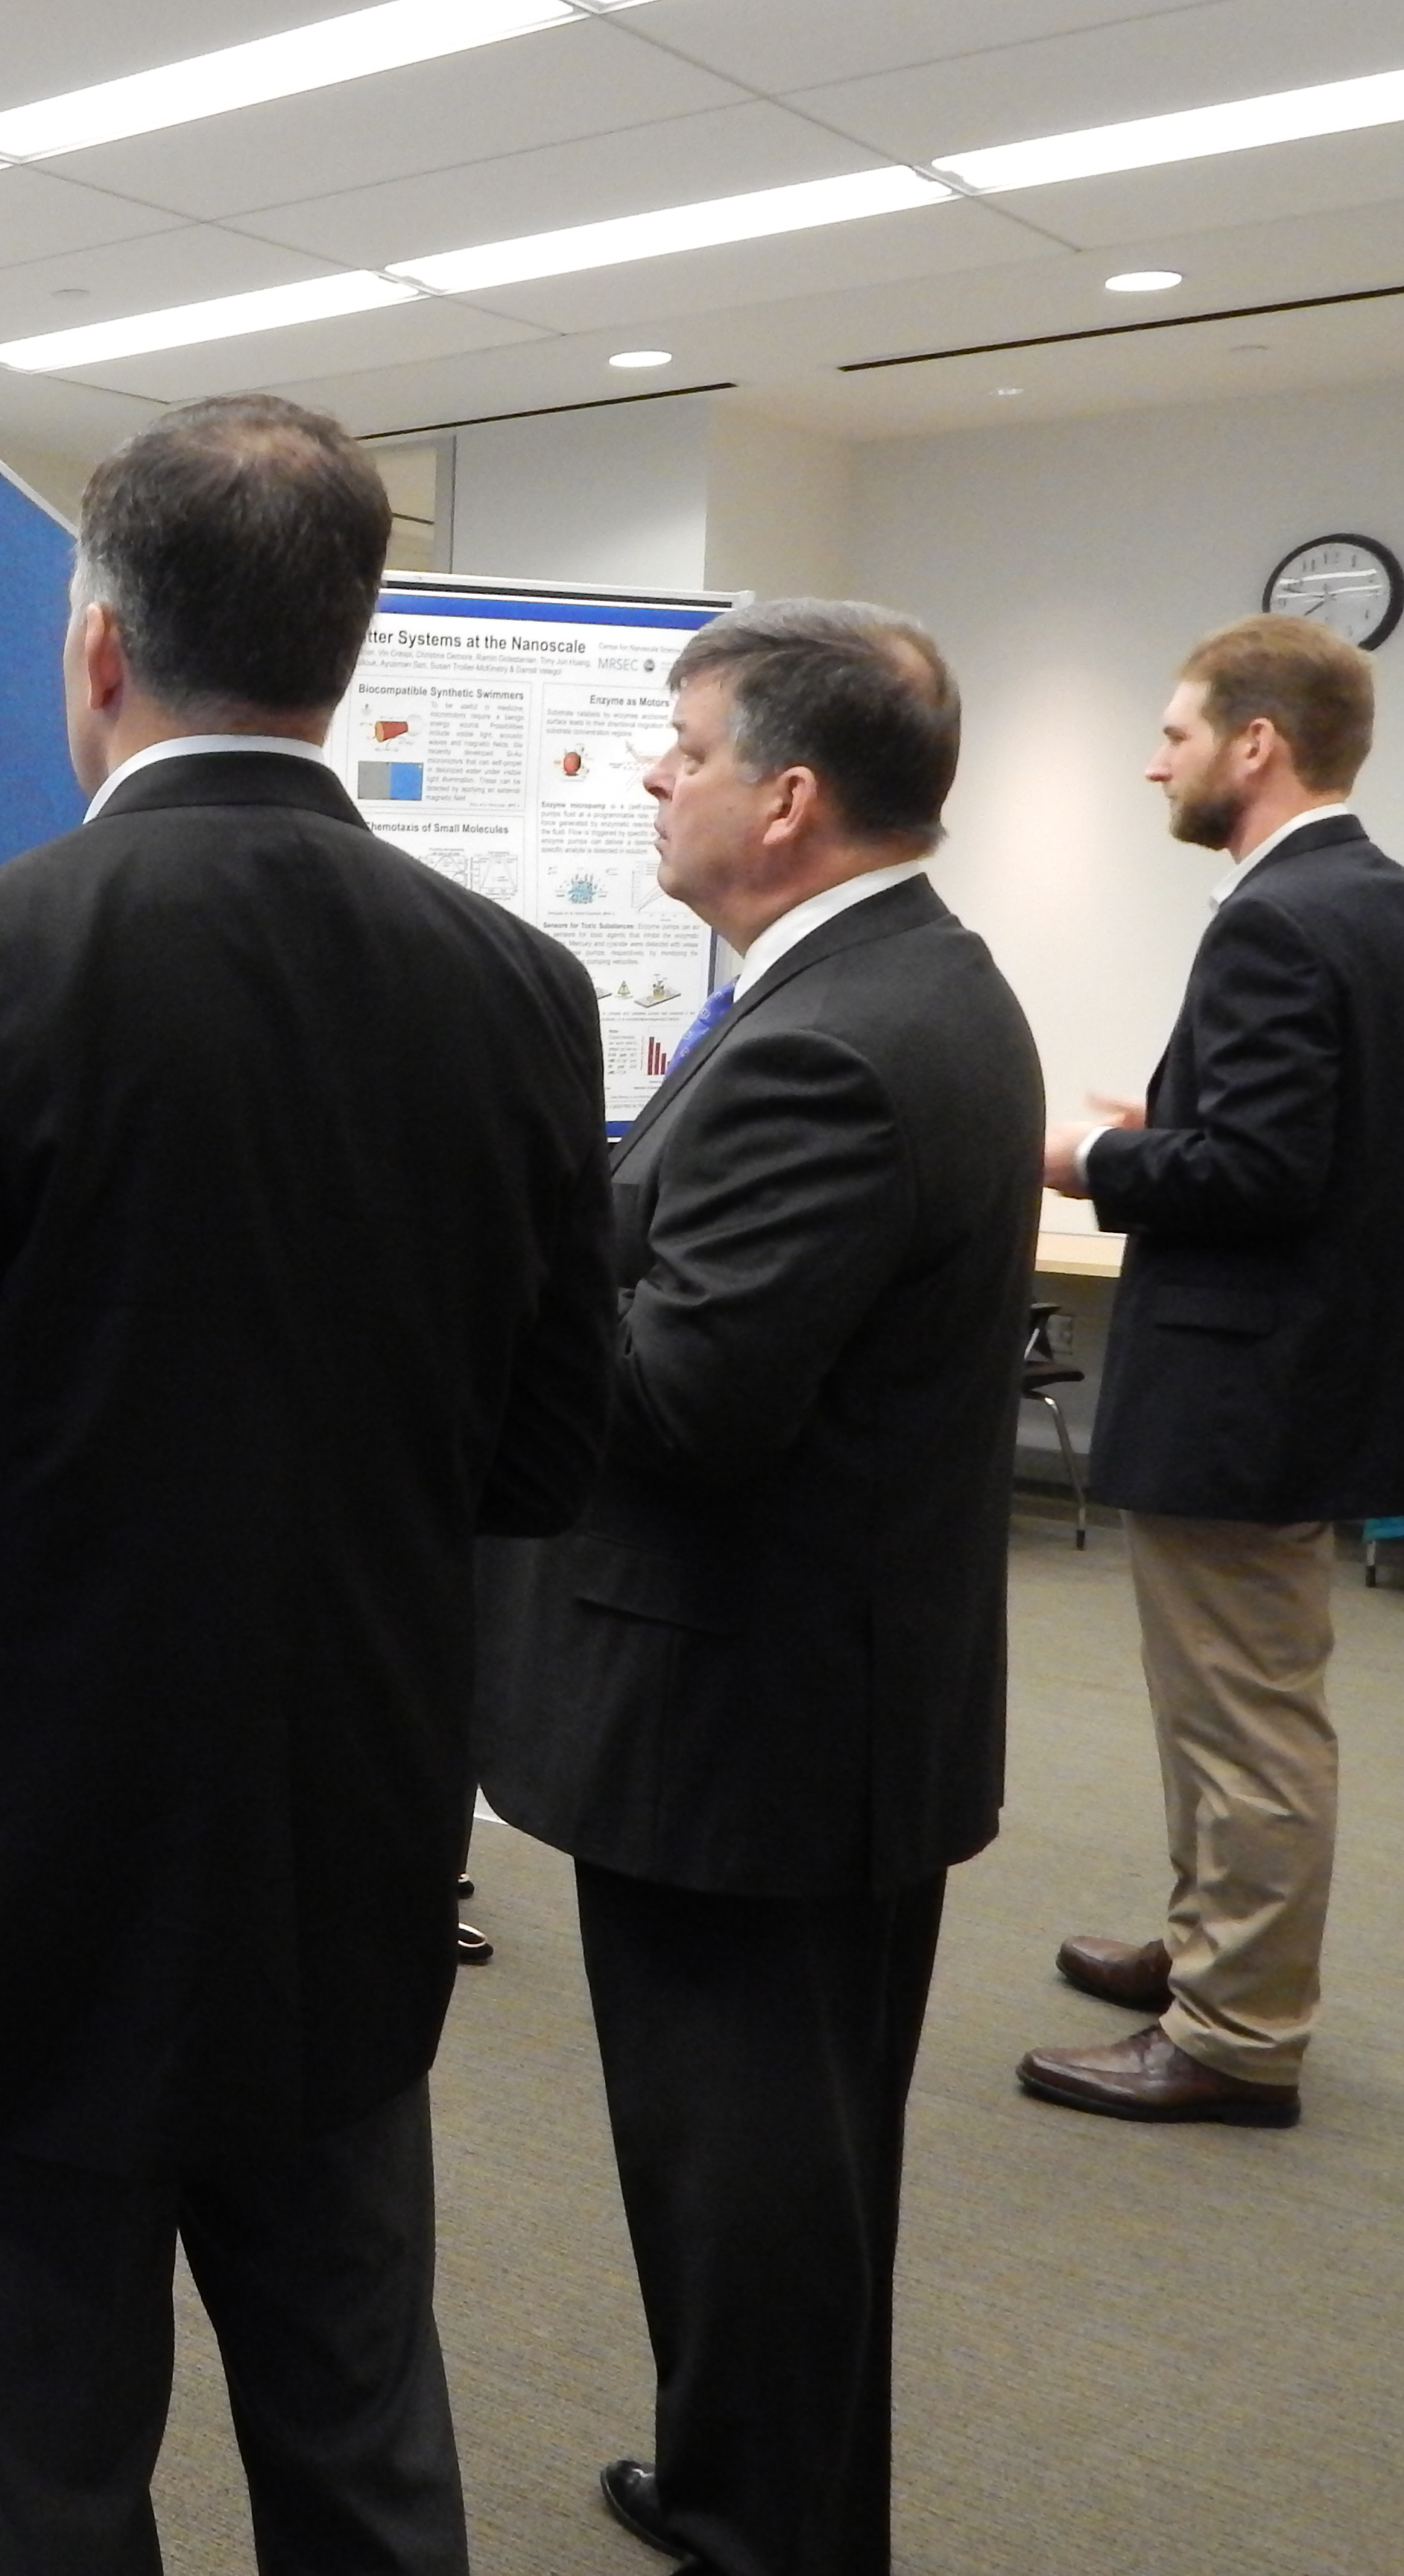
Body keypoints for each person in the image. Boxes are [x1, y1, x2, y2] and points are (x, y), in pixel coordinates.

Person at [0, 393, 616, 2576]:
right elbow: (543, 1455)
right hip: (343, 1865)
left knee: (34, 2477)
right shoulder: (523, 990)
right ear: (353, 649)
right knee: (363, 2449)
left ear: (98, 647)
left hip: (24, 1890)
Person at [472, 601, 1042, 2576]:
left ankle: (768, 2530)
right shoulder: (887, 985)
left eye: (685, 745)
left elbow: (682, 1402)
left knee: (750, 2182)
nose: (653, 774)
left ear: (787, 797)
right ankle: (754, 2483)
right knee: (782, 2168)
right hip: (818, 1699)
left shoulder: (836, 1044)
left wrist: (517, 1239)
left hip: (755, 1726)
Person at [1025, 613, 1404, 2128]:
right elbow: (1326, 1146)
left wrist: (1089, 1153)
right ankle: (1204, 1950)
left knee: (1245, 1716)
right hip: (1318, 1374)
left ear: (1256, 744)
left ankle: (1238, 2030)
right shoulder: (1374, 901)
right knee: (1235, 1699)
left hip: (1245, 1392)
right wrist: (1171, 1115)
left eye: (1174, 734)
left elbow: (1252, 1174)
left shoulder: (1272, 918)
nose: (1152, 760)